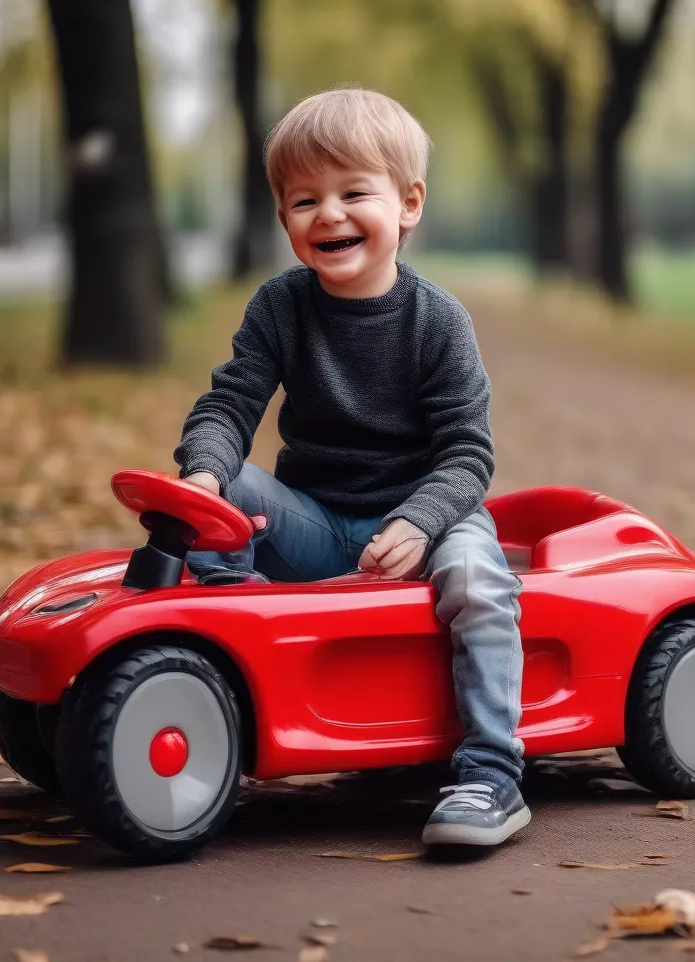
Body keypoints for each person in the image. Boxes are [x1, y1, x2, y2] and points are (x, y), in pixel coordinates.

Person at [173, 86, 527, 848]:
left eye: (351, 192)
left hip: (429, 519)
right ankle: (249, 656)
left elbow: (468, 453)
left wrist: (420, 520)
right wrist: (203, 473)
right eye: (304, 200)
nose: (327, 214)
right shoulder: (280, 307)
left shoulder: (438, 322)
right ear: (284, 221)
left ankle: (491, 774)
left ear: (407, 205)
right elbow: (229, 404)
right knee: (217, 494)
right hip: (319, 521)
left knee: (479, 580)